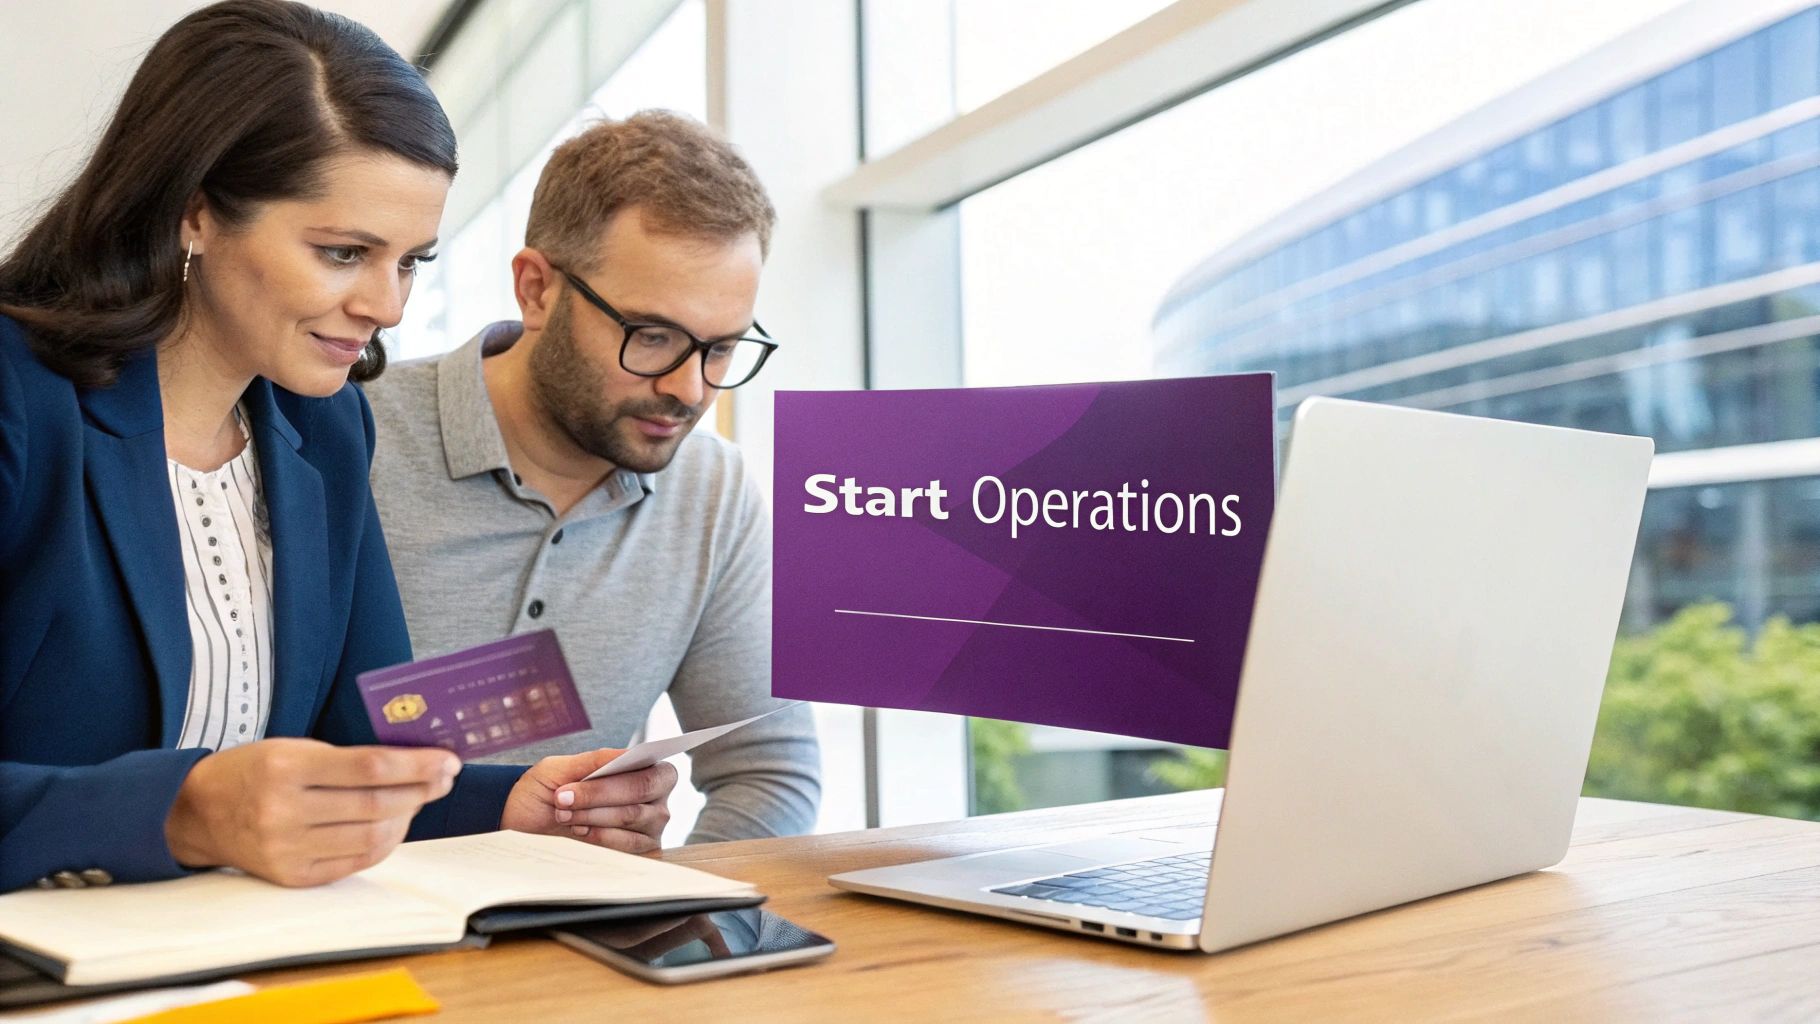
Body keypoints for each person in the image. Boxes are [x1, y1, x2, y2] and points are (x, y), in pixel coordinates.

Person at [0, 0, 674, 895]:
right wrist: (184, 810)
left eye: (410, 262)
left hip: (237, 956)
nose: (387, 306)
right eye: (345, 251)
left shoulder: (323, 430)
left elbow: (361, 751)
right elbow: (218, 805)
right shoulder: (18, 399)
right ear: (194, 211)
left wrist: (515, 805)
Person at [365, 111, 818, 843]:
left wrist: (672, 928)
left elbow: (767, 770)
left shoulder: (710, 492)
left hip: (577, 942)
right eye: (654, 336)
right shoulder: (351, 441)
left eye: (722, 348)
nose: (691, 389)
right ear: (538, 290)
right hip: (351, 923)